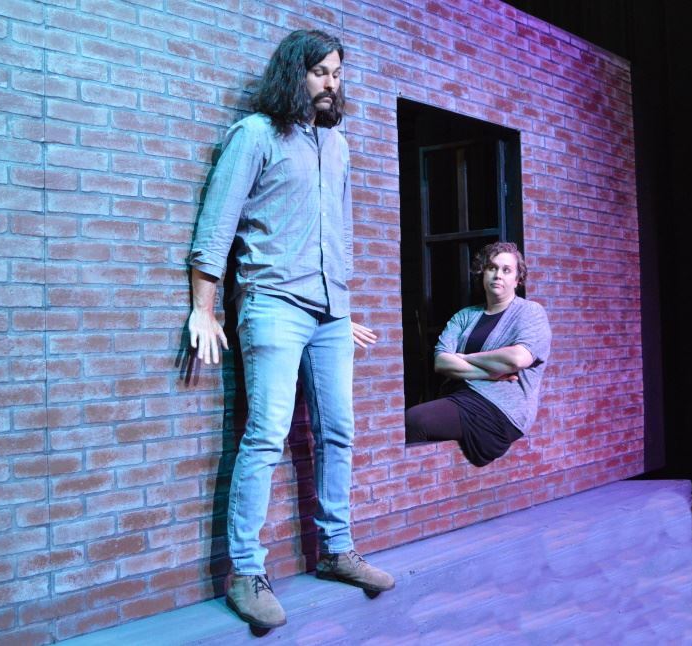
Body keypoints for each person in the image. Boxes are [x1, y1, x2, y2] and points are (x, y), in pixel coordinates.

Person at [186, 29, 393, 631]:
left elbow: (341, 234)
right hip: (273, 305)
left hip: (331, 312)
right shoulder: (255, 135)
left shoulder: (339, 145)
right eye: (320, 72)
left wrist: (341, 305)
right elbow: (217, 222)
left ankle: (335, 551)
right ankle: (245, 573)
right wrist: (205, 307)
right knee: (267, 435)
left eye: (337, 72)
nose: (332, 83)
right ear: (293, 75)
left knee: (340, 433)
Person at [405, 242, 551, 467]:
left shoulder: (530, 312)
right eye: (492, 268)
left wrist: (464, 358)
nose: (497, 275)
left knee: (415, 420)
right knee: (412, 420)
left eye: (506, 270)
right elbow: (442, 361)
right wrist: (489, 373)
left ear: (518, 279)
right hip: (464, 397)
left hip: (503, 408)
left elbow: (518, 358)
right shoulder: (465, 316)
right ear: (483, 272)